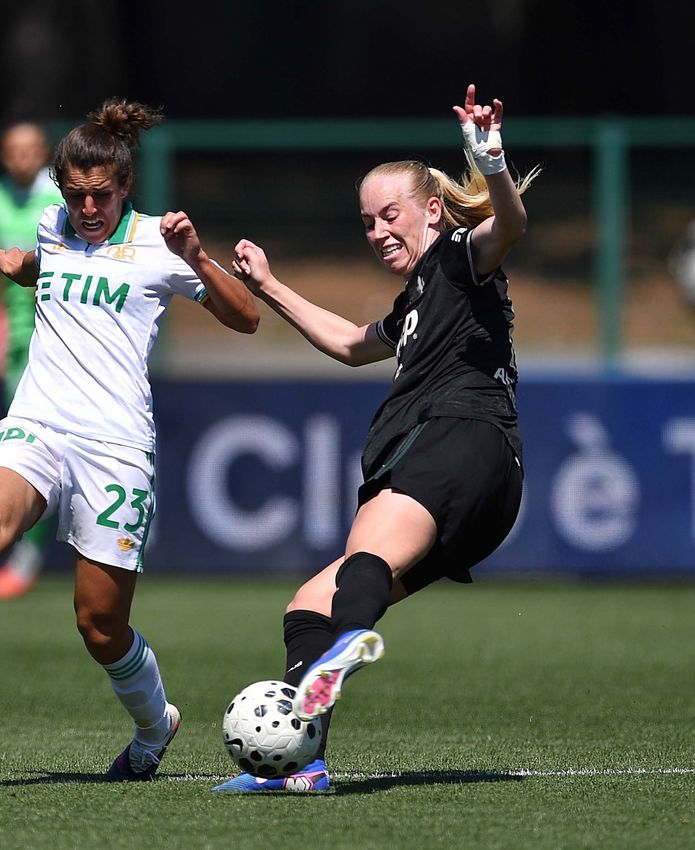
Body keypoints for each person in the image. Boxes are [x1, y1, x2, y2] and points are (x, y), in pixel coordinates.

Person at [0, 98, 259, 781]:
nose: (86, 208)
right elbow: (43, 271)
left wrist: (197, 256)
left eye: (99, 196)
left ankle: (154, 725)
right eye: (76, 195)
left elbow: (247, 317)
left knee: (99, 626)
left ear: (124, 188)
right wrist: (19, 265)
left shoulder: (158, 245)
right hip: (38, 422)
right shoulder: (52, 227)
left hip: (115, 448)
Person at [214, 85, 537, 792]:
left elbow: (507, 224)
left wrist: (491, 160)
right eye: (365, 222)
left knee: (361, 561)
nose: (376, 231)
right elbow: (351, 343)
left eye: (387, 214)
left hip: (462, 437)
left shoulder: (458, 257)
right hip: (482, 489)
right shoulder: (423, 294)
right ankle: (305, 760)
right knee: (308, 604)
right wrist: (269, 285)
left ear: (428, 209)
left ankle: (343, 650)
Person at [0, 119, 65, 601]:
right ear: (4, 156)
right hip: (15, 338)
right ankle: (25, 548)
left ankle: (30, 554)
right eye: (14, 150)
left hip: (61, 335)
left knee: (46, 442)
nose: (23, 158)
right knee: (24, 444)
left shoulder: (63, 194)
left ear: (43, 152)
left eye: (31, 149)